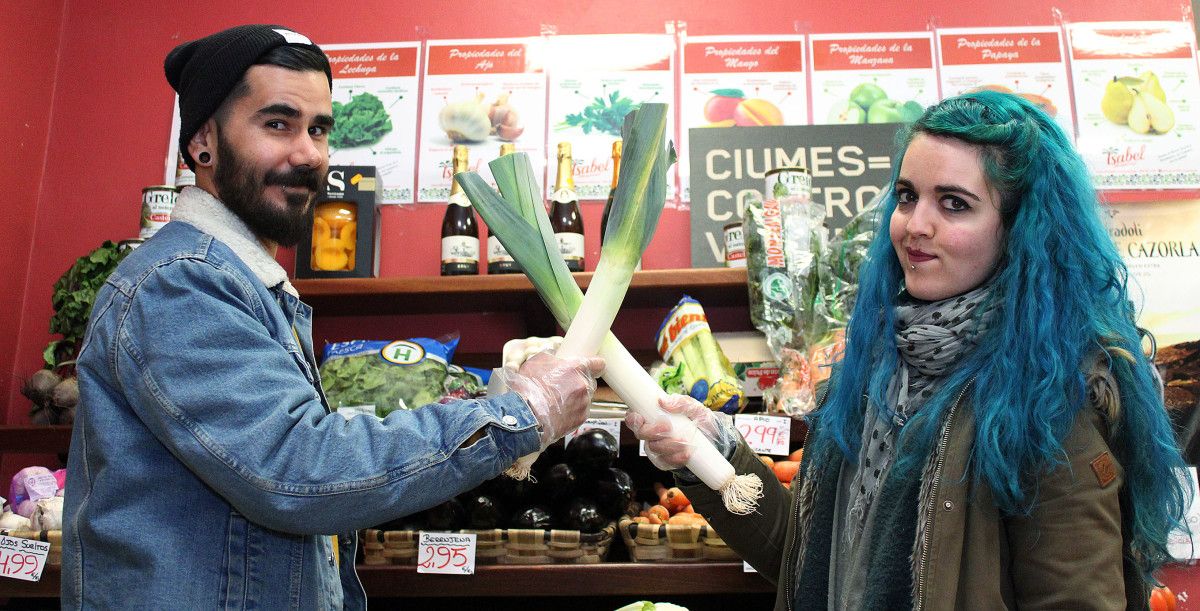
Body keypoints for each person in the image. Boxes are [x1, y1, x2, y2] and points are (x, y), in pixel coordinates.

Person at [62, 24, 603, 609]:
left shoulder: (246, 284)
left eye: (319, 129)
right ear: (203, 143)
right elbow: (295, 469)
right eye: (278, 124)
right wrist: (522, 414)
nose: (309, 155)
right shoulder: (180, 283)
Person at [629, 90, 1189, 610]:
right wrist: (711, 455)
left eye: (954, 204)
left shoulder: (1050, 399)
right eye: (906, 196)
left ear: (1021, 230)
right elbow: (808, 564)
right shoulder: (872, 374)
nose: (915, 225)